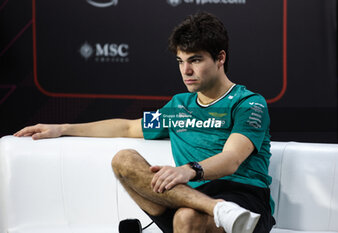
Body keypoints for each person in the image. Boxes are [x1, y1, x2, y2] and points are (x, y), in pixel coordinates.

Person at [14, 12, 275, 233]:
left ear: (220, 58)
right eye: (181, 61)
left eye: (195, 60)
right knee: (123, 159)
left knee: (186, 217)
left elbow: (231, 159)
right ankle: (216, 209)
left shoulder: (249, 103)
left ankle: (222, 210)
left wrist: (188, 170)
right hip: (192, 199)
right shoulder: (179, 106)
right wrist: (63, 129)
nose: (186, 71)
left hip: (245, 201)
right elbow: (127, 127)